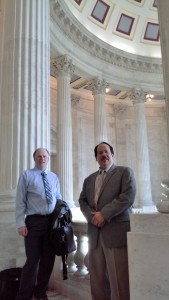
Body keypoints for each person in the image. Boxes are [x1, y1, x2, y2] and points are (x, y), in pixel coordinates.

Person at [79, 142, 136, 300]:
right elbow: (82, 201)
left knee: (119, 281)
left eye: (106, 151)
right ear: (96, 158)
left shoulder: (124, 172)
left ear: (112, 154)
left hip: (116, 233)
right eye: (99, 153)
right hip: (95, 235)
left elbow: (127, 197)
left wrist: (104, 214)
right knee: (97, 281)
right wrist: (93, 217)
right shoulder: (89, 179)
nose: (103, 155)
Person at [15, 148, 62, 300]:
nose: (42, 158)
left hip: (51, 223)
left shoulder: (53, 177)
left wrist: (63, 213)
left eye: (44, 156)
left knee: (48, 260)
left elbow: (58, 197)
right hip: (33, 222)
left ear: (48, 158)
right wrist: (20, 223)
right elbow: (20, 201)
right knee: (32, 260)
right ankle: (24, 296)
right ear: (34, 158)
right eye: (39, 156)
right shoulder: (26, 175)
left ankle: (40, 292)